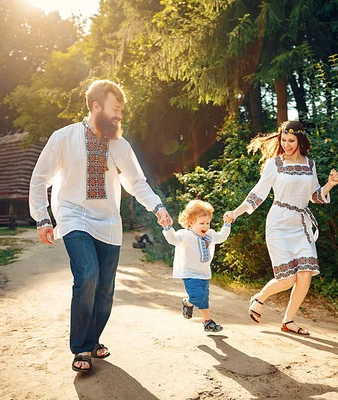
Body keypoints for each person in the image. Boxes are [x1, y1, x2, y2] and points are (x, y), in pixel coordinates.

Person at [29, 79, 173, 372]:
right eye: (115, 110)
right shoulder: (63, 137)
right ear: (96, 107)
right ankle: (80, 348)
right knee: (88, 275)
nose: (119, 116)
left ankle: (93, 340)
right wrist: (42, 217)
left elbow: (136, 182)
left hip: (108, 222)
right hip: (73, 217)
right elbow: (40, 178)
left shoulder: (119, 144)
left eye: (121, 111)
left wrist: (157, 206)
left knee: (105, 287)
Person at [224, 120, 338, 335]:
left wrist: (330, 184)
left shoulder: (310, 165)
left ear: (300, 141)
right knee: (287, 279)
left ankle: (288, 321)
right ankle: (260, 298)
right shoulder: (274, 164)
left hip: (301, 224)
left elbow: (315, 196)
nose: (287, 145)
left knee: (305, 275)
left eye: (291, 141)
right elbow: (258, 193)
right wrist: (236, 212)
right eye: (284, 140)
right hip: (278, 223)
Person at [162, 200, 232, 332]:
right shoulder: (185, 235)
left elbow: (222, 237)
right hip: (190, 274)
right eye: (201, 223)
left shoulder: (210, 235)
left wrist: (227, 224)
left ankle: (207, 322)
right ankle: (187, 302)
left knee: (204, 300)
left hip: (205, 274)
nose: (205, 226)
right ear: (191, 222)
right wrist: (167, 228)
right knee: (197, 296)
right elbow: (173, 239)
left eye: (207, 223)